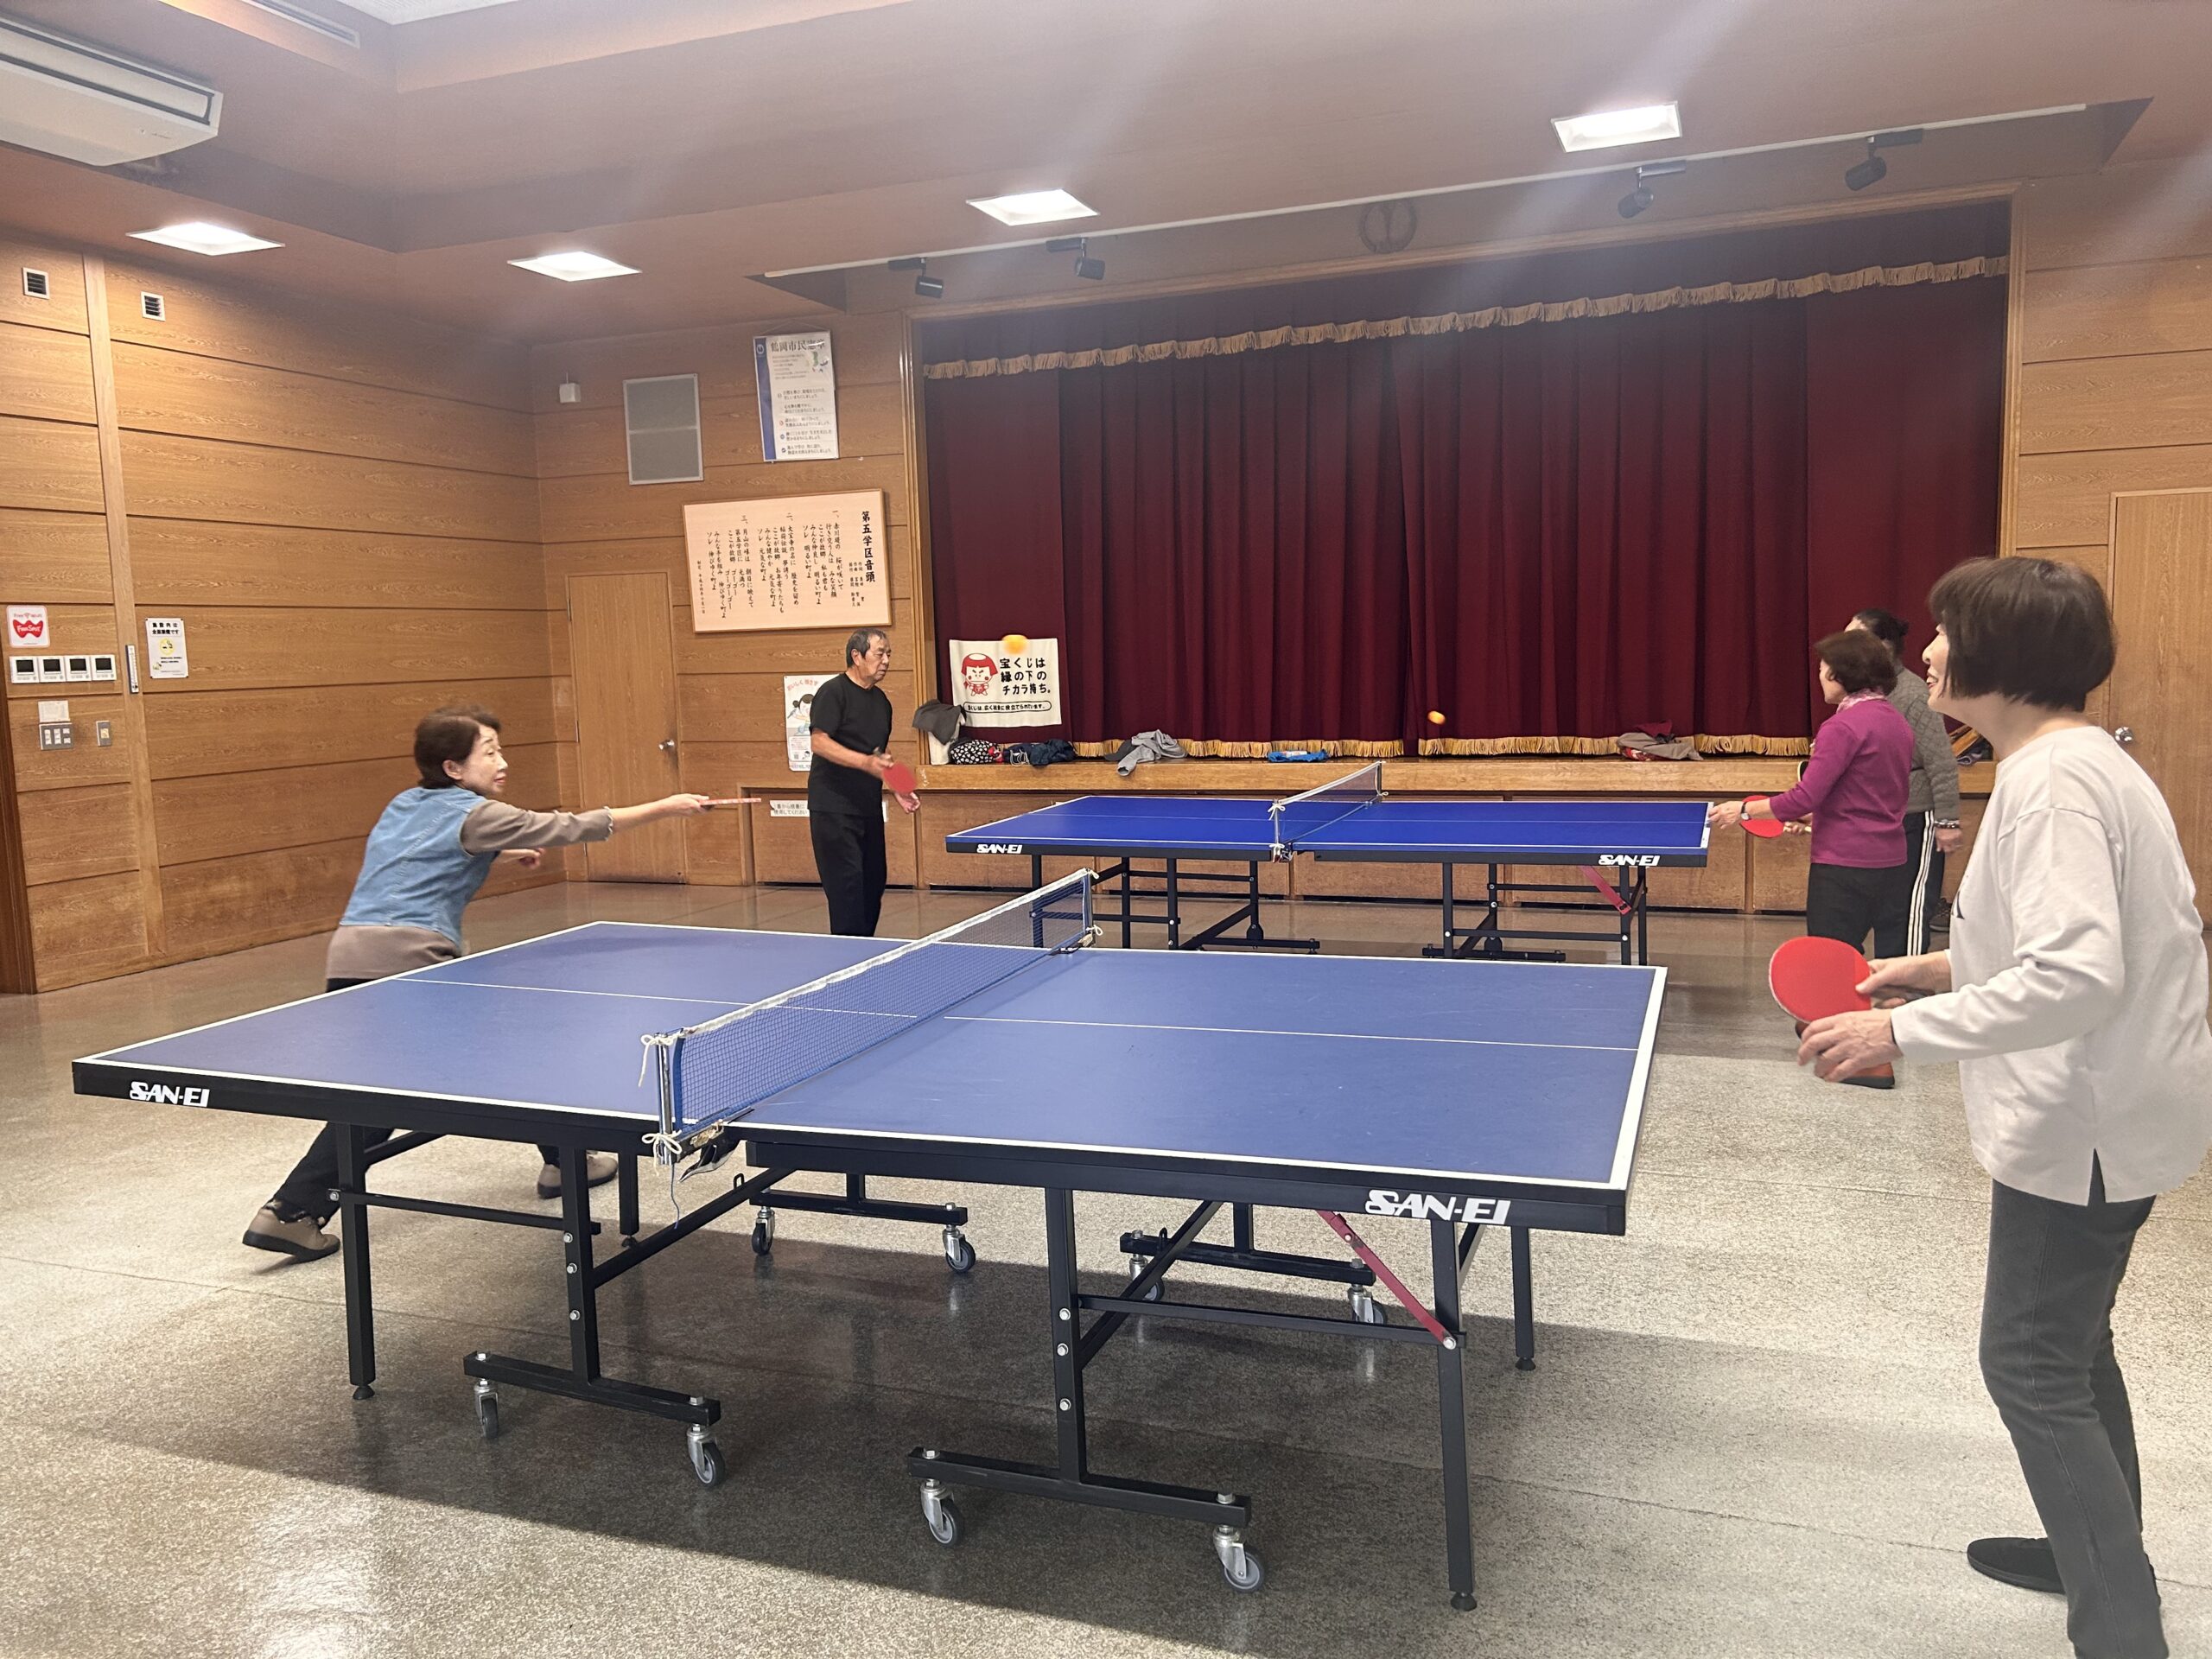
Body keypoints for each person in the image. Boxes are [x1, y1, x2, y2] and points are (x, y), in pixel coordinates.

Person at [1802, 557, 2210, 1659]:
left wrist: (1898, 1034)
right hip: (2126, 1108)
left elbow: (2076, 976)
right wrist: (1934, 969)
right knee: (2073, 1347)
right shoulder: (2078, 759)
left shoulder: (2053, 785)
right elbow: (2065, 943)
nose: (1927, 651)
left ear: (1999, 655)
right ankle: (2092, 1549)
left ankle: (2119, 1627)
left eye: (1944, 632)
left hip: (2087, 1123)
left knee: (2029, 1363)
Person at [243, 705, 711, 1261]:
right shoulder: (481, 813)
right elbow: (573, 827)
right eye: (489, 752)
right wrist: (665, 806)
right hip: (411, 962)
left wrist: (500, 854)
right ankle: (292, 1209)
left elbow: (416, 856)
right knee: (420, 1088)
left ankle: (563, 1163)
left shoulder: (404, 803)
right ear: (453, 767)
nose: (502, 762)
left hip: (350, 955)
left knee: (399, 1087)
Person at [1708, 631, 1915, 1083]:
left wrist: (1744, 810)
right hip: (1890, 860)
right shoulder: (1894, 721)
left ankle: (1869, 1064)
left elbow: (1805, 795)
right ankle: (1834, 1027)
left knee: (1834, 956)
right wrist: (1818, 819)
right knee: (1866, 959)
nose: (1820, 678)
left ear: (1843, 674)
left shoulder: (1842, 727)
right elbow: (1868, 792)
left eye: (1824, 671)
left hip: (1844, 863)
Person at [1850, 607, 1964, 950]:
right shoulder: (1859, 694)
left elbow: (1941, 762)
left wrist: (1947, 821)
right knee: (1872, 907)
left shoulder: (1914, 695)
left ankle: (1906, 978)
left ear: (1884, 645)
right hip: (1874, 818)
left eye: (1856, 638)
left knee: (1906, 909)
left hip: (1913, 818)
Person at [807, 627, 918, 936]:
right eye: (880, 653)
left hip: (867, 808)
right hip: (833, 809)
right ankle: (848, 956)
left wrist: (898, 786)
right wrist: (865, 763)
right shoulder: (833, 692)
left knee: (872, 884)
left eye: (889, 654)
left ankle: (865, 950)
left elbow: (879, 754)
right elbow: (819, 742)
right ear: (857, 656)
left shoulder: (882, 702)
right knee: (848, 891)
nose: (886, 661)